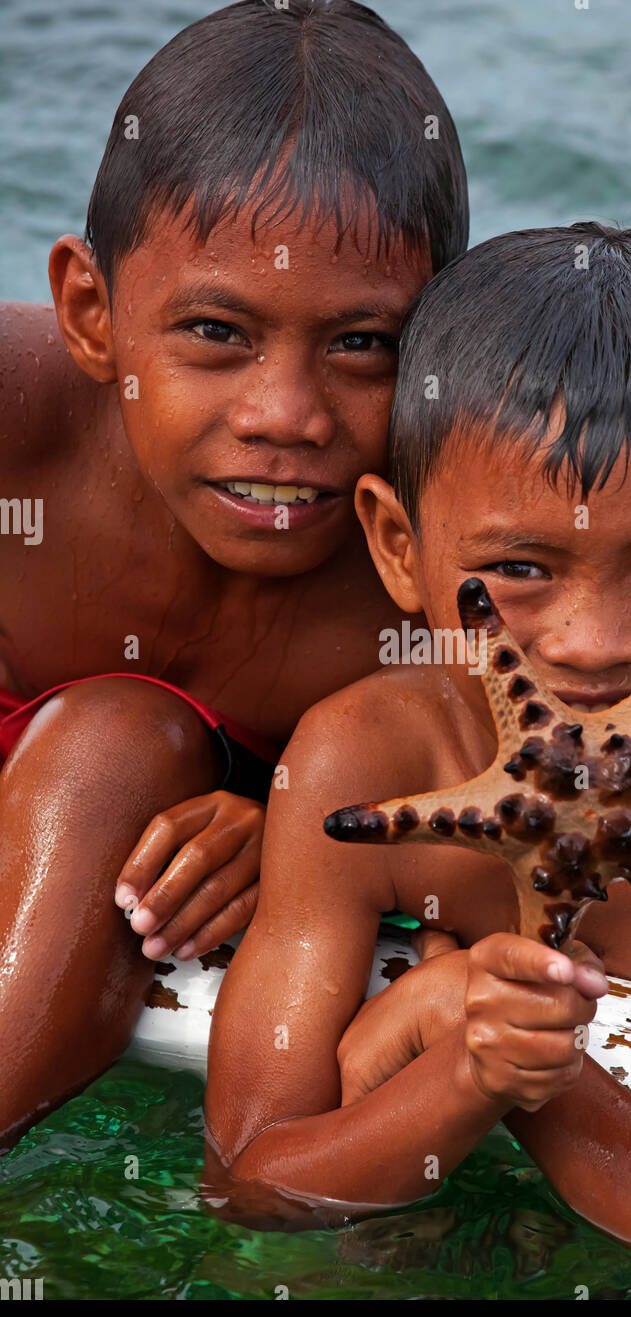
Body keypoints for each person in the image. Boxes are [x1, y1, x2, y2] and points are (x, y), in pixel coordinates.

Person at [206, 222, 631, 1297]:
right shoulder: (359, 766)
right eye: (517, 567)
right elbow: (251, 1181)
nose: (588, 643)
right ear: (395, 545)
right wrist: (467, 1063)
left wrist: (526, 1071)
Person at [0, 0, 467, 1154]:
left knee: (114, 743)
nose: (286, 418)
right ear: (90, 314)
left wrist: (295, 830)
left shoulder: (446, 559)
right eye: (216, 332)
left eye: (362, 344)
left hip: (115, 806)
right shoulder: (15, 418)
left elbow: (538, 816)